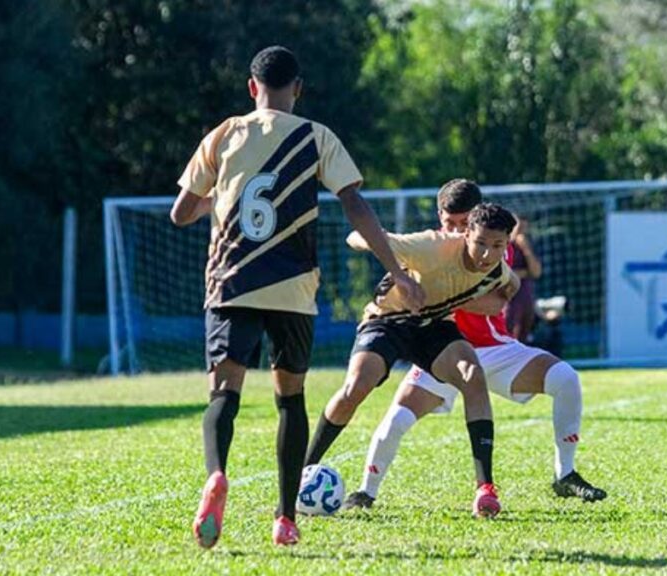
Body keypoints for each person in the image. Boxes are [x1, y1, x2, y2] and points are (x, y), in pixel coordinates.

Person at [170, 45, 424, 548]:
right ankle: (286, 519)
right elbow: (353, 203)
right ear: (298, 89)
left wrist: (221, 198)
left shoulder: (224, 133)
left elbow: (180, 212)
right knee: (290, 400)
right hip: (291, 289)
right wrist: (397, 270)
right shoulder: (316, 136)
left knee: (224, 395)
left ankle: (217, 474)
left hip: (232, 283)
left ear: (251, 87)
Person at [343, 180, 605, 512]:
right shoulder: (429, 246)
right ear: (440, 217)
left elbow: (492, 304)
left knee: (566, 379)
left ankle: (564, 474)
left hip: (494, 350)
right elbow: (376, 243)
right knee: (395, 422)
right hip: (438, 350)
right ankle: (365, 493)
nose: (456, 232)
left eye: (463, 224)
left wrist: (426, 292)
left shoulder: (491, 245)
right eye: (449, 224)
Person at [303, 201, 520, 518]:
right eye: (480, 243)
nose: (487, 253)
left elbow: (509, 288)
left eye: (497, 245)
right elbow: (356, 236)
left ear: (506, 244)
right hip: (388, 320)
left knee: (472, 375)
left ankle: (485, 489)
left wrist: (479, 302)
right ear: (465, 235)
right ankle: (305, 468)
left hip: (434, 325)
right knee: (357, 387)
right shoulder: (431, 247)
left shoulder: (499, 271)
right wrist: (398, 275)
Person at [504, 217, 542, 343]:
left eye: (523, 229)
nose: (520, 232)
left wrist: (526, 249)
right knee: (507, 331)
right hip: (507, 297)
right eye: (518, 228)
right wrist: (524, 273)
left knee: (523, 334)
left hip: (525, 296)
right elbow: (502, 273)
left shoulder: (527, 246)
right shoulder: (502, 246)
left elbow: (536, 272)